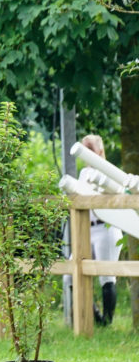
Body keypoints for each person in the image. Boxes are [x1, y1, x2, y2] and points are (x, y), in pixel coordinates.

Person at [78, 134, 121, 326]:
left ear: (100, 152)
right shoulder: (83, 174)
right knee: (70, 275)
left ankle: (107, 321)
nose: (87, 154)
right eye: (84, 150)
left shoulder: (110, 171)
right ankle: (93, 316)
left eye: (91, 150)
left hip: (106, 227)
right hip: (86, 228)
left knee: (106, 276)